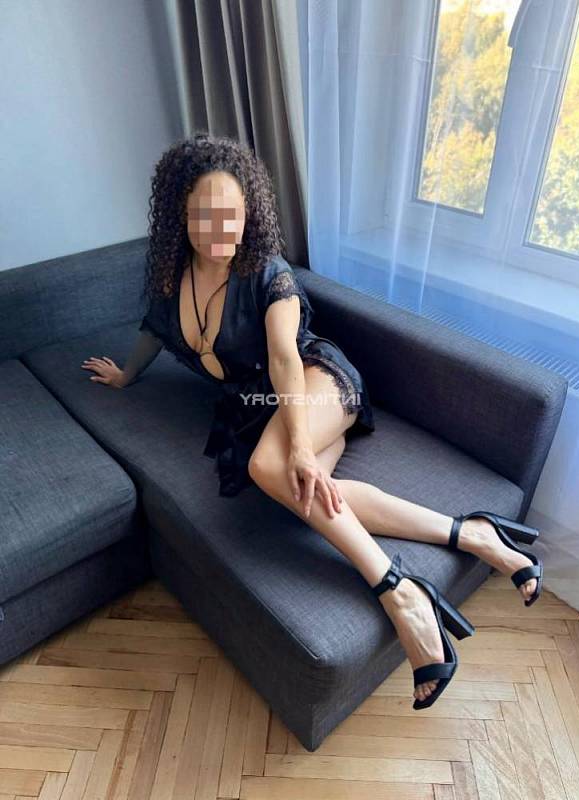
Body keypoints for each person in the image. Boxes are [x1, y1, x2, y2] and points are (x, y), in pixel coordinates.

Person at [81, 132, 542, 709]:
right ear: (181, 213)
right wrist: (127, 374)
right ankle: (471, 532)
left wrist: (299, 444)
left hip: (316, 381)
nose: (221, 231)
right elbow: (154, 331)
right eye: (205, 216)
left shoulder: (267, 273)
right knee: (308, 493)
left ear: (248, 213)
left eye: (231, 215)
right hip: (259, 403)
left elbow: (284, 360)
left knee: (271, 467)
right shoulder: (172, 279)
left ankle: (399, 591)